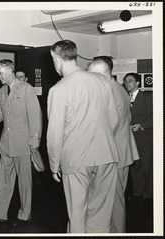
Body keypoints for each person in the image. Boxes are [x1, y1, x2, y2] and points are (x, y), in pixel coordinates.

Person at [47, 40, 120, 233]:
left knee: (77, 214)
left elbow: (55, 133)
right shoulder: (103, 81)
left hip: (76, 160)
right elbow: (114, 120)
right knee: (101, 216)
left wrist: (54, 164)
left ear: (56, 59)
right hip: (107, 156)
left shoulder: (58, 89)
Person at [0, 59, 42, 227]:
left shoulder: (26, 89)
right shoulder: (1, 91)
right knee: (5, 180)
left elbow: (35, 116)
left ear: (9, 72)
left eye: (0, 73)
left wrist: (34, 140)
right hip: (6, 144)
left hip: (23, 143)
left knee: (24, 182)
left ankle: (25, 215)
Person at [88, 56, 139, 233]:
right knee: (115, 199)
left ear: (103, 74)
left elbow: (110, 125)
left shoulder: (109, 91)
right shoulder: (119, 88)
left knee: (115, 200)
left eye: (92, 75)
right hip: (121, 150)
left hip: (114, 153)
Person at [123, 72, 153, 203]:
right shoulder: (124, 98)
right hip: (130, 138)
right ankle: (137, 193)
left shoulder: (147, 97)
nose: (127, 84)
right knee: (135, 166)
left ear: (137, 83)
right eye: (125, 81)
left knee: (147, 167)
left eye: (130, 81)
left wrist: (142, 125)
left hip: (144, 137)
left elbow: (155, 115)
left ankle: (149, 195)